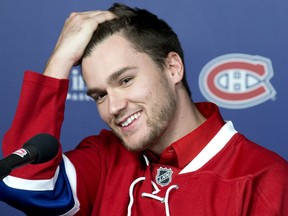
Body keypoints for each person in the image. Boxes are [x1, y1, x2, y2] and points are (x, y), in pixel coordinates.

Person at [0, 3, 287, 216]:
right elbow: (21, 180)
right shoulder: (103, 159)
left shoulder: (264, 178)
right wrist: (60, 60)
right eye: (99, 95)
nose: (113, 106)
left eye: (125, 80)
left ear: (172, 68)